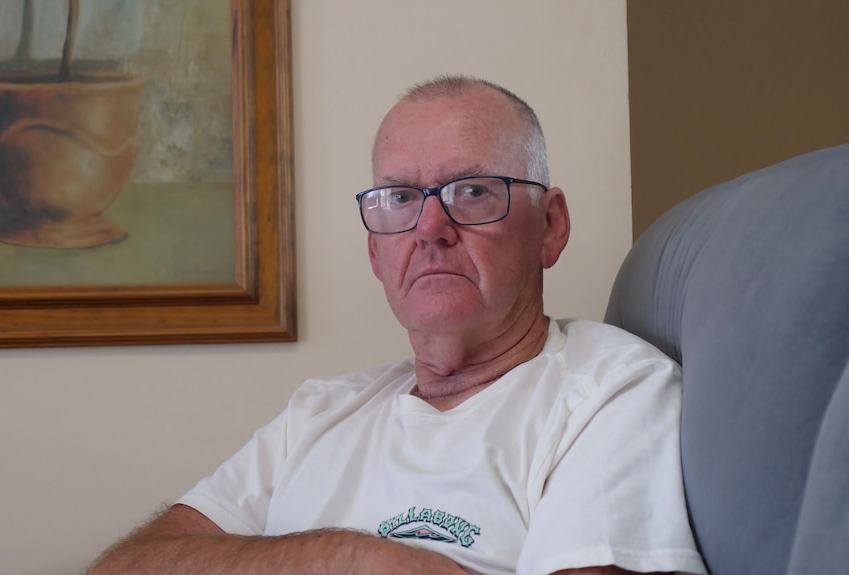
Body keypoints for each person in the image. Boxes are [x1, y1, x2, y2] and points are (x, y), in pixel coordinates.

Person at [87, 75, 707, 575]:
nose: (430, 229)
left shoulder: (612, 391)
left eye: (473, 192)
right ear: (375, 253)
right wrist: (353, 558)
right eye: (400, 199)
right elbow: (124, 567)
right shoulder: (320, 413)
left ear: (550, 226)